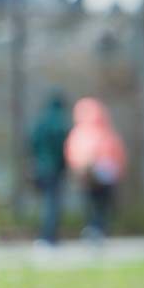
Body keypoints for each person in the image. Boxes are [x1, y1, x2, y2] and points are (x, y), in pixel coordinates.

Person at [64, 97, 127, 241]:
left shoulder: (79, 132)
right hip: (105, 173)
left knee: (91, 202)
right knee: (101, 203)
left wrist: (76, 167)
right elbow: (118, 152)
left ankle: (93, 227)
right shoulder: (106, 131)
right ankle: (99, 227)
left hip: (88, 174)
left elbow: (71, 152)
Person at [29, 91, 71, 244]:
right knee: (53, 203)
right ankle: (49, 236)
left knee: (46, 202)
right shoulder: (61, 124)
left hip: (40, 167)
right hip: (55, 168)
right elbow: (65, 148)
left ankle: (45, 235)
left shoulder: (41, 122)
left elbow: (31, 142)